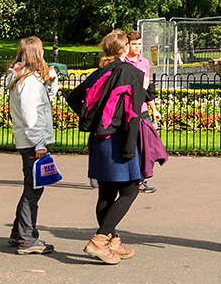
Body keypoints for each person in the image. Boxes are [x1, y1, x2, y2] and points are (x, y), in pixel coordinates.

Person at [66, 29, 150, 265]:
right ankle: (100, 239)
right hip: (121, 138)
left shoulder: (99, 72)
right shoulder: (132, 73)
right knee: (131, 189)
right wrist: (130, 146)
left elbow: (73, 97)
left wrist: (89, 120)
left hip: (99, 137)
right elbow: (134, 114)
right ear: (124, 49)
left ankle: (111, 240)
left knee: (106, 191)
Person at [6, 36, 58, 255]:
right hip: (32, 142)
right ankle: (27, 238)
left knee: (32, 187)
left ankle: (19, 233)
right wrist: (39, 143)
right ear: (36, 53)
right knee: (33, 190)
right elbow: (30, 116)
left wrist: (51, 81)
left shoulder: (27, 77)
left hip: (29, 140)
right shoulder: (27, 81)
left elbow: (47, 100)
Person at [125, 31, 158, 194]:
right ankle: (132, 179)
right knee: (131, 146)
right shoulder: (122, 63)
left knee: (145, 145)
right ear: (127, 45)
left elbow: (147, 89)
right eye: (134, 44)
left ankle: (141, 180)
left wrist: (154, 108)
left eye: (139, 44)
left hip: (142, 110)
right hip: (128, 110)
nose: (137, 47)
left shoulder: (144, 62)